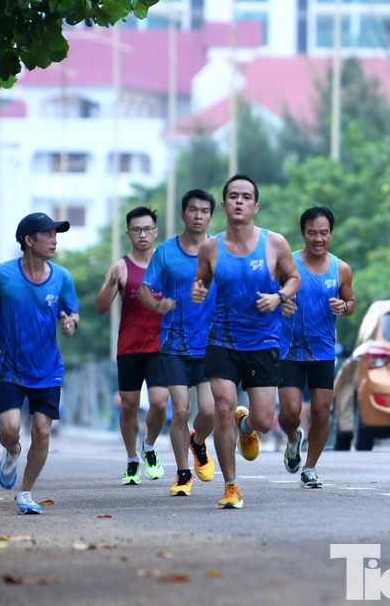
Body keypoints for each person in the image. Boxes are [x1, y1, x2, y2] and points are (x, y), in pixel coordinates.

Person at [192, 174, 301, 509]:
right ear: (224, 205)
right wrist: (198, 290)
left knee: (266, 421)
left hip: (263, 341)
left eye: (245, 196)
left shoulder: (275, 243)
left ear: (256, 205)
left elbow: (294, 278)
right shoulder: (211, 247)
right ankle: (231, 485)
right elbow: (202, 281)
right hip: (222, 339)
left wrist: (279, 295)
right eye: (233, 196)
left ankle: (247, 423)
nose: (239, 201)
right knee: (222, 407)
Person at [0, 212, 80, 515]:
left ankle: (25, 492)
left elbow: (73, 312)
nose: (54, 240)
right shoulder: (2, 274)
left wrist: (71, 323)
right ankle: (12, 451)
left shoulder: (62, 277)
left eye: (56, 235)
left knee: (43, 432)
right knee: (10, 429)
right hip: (8, 365)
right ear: (29, 240)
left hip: (48, 368)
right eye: (47, 235)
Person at [138, 189, 217, 498]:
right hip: (174, 343)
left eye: (204, 211)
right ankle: (183, 474)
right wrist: (157, 305)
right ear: (183, 214)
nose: (198, 215)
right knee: (180, 411)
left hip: (211, 343)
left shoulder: (219, 250)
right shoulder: (166, 252)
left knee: (209, 411)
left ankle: (198, 443)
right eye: (193, 210)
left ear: (211, 216)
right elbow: (146, 289)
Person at [279, 205, 355, 489]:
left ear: (331, 234)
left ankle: (310, 467)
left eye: (324, 232)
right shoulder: (288, 265)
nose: (318, 238)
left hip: (323, 351)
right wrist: (281, 304)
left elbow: (351, 303)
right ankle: (293, 437)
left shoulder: (341, 269)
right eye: (312, 233)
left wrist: (343, 307)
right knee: (289, 412)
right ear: (303, 234)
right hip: (289, 350)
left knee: (322, 413)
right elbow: (271, 296)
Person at [94, 205, 170, 485]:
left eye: (147, 229)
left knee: (160, 404)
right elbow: (101, 308)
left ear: (155, 232)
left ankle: (149, 445)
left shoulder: (167, 263)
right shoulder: (119, 267)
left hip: (161, 346)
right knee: (129, 405)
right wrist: (111, 283)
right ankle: (131, 458)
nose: (142, 234)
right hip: (129, 346)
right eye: (136, 229)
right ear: (128, 233)